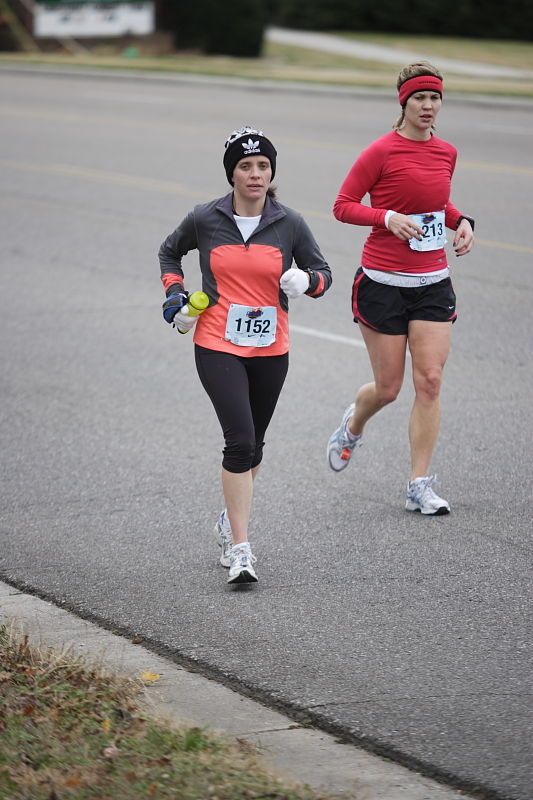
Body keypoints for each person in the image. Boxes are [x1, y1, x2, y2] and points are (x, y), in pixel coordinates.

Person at [159, 125, 332, 583]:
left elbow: (323, 274)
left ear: (271, 172)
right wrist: (175, 295)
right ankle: (240, 548)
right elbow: (169, 253)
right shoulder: (205, 218)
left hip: (271, 347)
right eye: (245, 166)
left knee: (254, 446)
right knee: (238, 442)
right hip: (217, 342)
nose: (255, 174)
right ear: (231, 174)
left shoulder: (289, 223)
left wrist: (307, 282)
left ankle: (228, 519)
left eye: (263, 166)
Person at [326, 62, 474, 515]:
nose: (428, 106)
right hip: (383, 283)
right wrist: (386, 217)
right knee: (388, 388)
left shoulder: (446, 152)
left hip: (432, 282)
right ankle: (354, 424)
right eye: (420, 98)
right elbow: (342, 206)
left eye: (435, 98)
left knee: (429, 381)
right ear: (404, 102)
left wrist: (461, 221)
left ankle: (418, 485)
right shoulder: (380, 151)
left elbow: (436, 202)